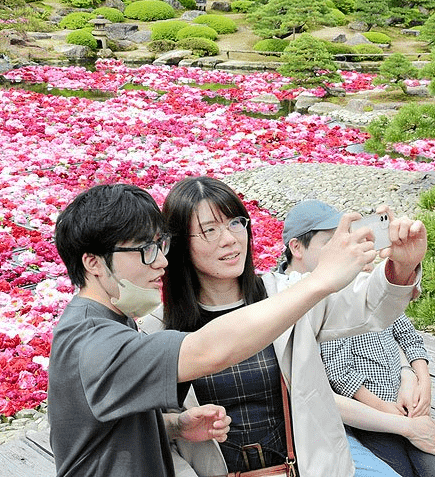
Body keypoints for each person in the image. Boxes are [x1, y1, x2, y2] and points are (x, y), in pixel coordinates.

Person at [48, 182, 393, 477]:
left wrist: (177, 426)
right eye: (146, 250)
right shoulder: (95, 341)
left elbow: (114, 429)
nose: (161, 262)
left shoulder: (113, 323)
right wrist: (320, 280)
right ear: (93, 262)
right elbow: (210, 351)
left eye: (161, 246)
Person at [142, 177, 425, 477]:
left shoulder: (286, 294)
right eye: (210, 230)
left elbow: (369, 306)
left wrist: (403, 266)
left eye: (236, 222)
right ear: (179, 243)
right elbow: (156, 434)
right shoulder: (158, 329)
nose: (229, 239)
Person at [281, 200, 435, 476]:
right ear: (296, 247)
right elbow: (336, 377)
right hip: (360, 422)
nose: (343, 248)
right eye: (330, 242)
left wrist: (414, 377)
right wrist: (399, 418)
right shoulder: (289, 301)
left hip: (400, 404)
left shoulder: (343, 280)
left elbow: (395, 323)